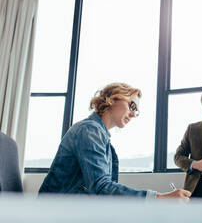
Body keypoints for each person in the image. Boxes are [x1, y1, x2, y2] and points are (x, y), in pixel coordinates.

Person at [39, 83, 191, 200]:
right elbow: (101, 188)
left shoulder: (100, 136)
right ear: (113, 98)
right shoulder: (89, 131)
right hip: (57, 215)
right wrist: (160, 198)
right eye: (132, 106)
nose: (133, 114)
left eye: (136, 111)